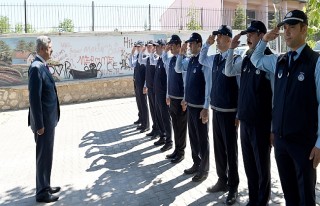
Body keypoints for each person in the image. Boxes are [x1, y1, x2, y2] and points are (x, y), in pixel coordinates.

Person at [251, 10, 320, 205]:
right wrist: (264, 40)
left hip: (304, 144)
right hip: (281, 142)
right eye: (285, 28)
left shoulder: (315, 62)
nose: (287, 31)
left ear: (304, 29)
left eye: (292, 27)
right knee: (290, 195)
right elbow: (256, 60)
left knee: (306, 197)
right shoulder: (279, 61)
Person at [224, 21, 273, 205]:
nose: (248, 38)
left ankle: (262, 201)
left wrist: (272, 127)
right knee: (250, 166)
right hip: (245, 122)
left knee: (262, 168)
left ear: (262, 36)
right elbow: (228, 71)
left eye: (252, 34)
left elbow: (275, 97)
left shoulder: (268, 59)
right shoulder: (245, 58)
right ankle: (253, 200)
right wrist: (231, 49)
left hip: (261, 124)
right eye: (247, 34)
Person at [199, 25, 240, 205]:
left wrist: (239, 112)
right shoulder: (214, 59)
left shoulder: (236, 59)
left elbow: (240, 88)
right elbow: (201, 59)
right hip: (217, 110)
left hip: (230, 113)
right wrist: (206, 45)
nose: (217, 39)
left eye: (220, 36)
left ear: (229, 39)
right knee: (219, 149)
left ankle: (233, 186)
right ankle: (222, 180)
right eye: (217, 36)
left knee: (231, 152)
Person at [28, 36, 61, 203]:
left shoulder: (42, 66)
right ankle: (42, 193)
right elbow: (34, 99)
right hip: (43, 124)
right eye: (50, 47)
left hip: (49, 120)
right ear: (42, 49)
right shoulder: (36, 67)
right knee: (43, 156)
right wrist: (39, 125)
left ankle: (45, 185)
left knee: (47, 155)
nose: (52, 50)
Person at [176, 32, 211, 182]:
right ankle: (196, 164)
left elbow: (209, 85)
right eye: (188, 44)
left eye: (191, 44)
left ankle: (204, 169)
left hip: (200, 108)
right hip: (190, 105)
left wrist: (206, 107)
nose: (189, 46)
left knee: (202, 139)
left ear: (198, 44)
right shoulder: (190, 61)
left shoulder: (204, 62)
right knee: (193, 138)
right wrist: (181, 54)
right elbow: (178, 69)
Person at [161, 35, 187, 159]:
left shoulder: (183, 59)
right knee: (175, 126)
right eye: (169, 45)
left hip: (180, 99)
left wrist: (185, 98)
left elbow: (185, 81)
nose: (170, 47)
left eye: (172, 45)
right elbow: (168, 78)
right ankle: (176, 150)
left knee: (181, 127)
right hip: (172, 98)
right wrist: (168, 95)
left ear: (178, 45)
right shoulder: (171, 60)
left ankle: (181, 152)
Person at [151, 39, 174, 154]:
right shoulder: (160, 59)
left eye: (157, 46)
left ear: (164, 47)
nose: (155, 48)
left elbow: (169, 79)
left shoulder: (167, 60)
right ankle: (162, 136)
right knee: (159, 116)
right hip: (157, 93)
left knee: (165, 118)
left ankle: (169, 141)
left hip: (163, 94)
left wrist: (167, 95)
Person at [138, 40, 161, 138]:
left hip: (155, 88)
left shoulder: (155, 57)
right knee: (152, 109)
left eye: (150, 46)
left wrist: (152, 52)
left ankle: (159, 130)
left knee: (156, 110)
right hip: (150, 87)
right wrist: (140, 52)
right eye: (147, 46)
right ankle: (154, 128)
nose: (148, 47)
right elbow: (139, 61)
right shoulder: (148, 58)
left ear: (154, 47)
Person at [129, 41, 150, 133]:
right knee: (139, 102)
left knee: (143, 104)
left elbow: (147, 74)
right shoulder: (137, 57)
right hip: (137, 83)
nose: (138, 49)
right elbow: (131, 64)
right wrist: (132, 53)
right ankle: (141, 119)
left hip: (142, 84)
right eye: (137, 47)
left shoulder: (145, 58)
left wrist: (145, 85)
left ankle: (146, 124)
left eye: (139, 47)